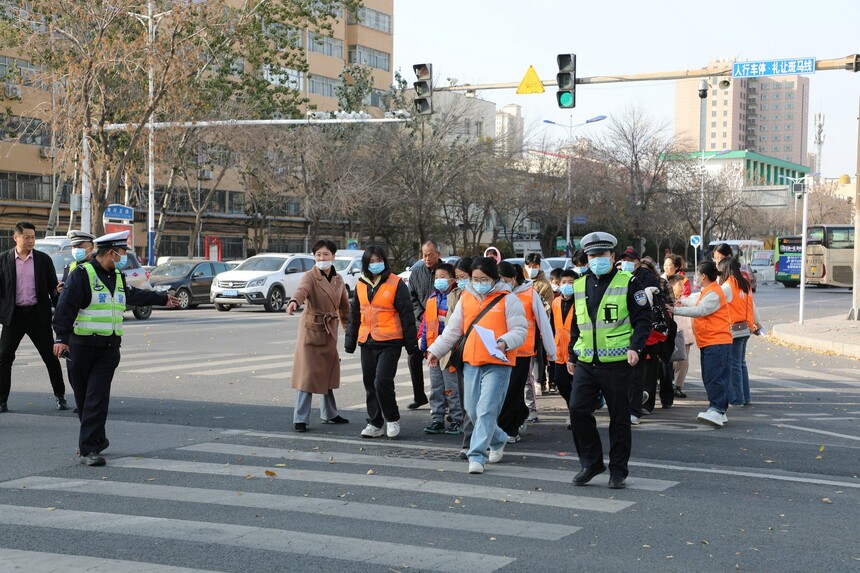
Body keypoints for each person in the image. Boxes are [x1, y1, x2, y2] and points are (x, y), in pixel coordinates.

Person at [52, 231, 179, 466]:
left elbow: (134, 295)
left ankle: (89, 450)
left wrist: (162, 299)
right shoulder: (82, 274)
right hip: (81, 347)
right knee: (83, 399)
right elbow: (65, 306)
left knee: (96, 397)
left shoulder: (118, 277)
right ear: (111, 253)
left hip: (108, 349)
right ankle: (97, 438)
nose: (124, 257)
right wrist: (61, 337)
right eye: (122, 253)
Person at [566, 232, 652, 490]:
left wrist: (636, 347)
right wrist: (571, 353)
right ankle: (591, 463)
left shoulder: (629, 282)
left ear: (612, 257)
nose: (597, 260)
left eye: (602, 255)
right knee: (577, 410)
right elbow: (577, 324)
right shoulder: (580, 285)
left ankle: (618, 470)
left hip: (617, 363)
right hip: (586, 362)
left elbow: (643, 320)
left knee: (619, 418)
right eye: (592, 256)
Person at [426, 257, 527, 475]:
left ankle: (477, 455)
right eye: (475, 279)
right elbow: (453, 330)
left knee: (486, 409)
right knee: (472, 410)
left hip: (498, 363)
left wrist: (505, 342)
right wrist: (435, 350)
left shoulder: (509, 300)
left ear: (495, 279)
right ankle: (499, 438)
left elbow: (520, 331)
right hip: (471, 361)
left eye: (483, 279)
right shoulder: (466, 298)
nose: (478, 283)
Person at [345, 246, 419, 439]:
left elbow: (407, 315)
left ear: (385, 261)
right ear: (365, 264)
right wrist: (350, 341)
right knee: (369, 383)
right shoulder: (361, 284)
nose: (375, 264)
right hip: (367, 340)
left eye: (379, 260)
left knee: (382, 382)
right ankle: (375, 423)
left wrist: (412, 346)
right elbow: (355, 314)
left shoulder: (396, 283)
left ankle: (392, 418)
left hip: (390, 341)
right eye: (371, 261)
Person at [0, 221, 68, 413]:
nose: (31, 241)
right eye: (26, 237)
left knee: (50, 357)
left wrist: (61, 308)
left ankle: (60, 396)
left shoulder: (43, 260)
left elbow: (53, 290)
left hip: (38, 316)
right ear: (16, 238)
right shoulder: (3, 260)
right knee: (4, 357)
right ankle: (2, 401)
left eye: (33, 237)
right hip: (13, 318)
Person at [285, 239, 351, 432]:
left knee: (328, 373)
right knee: (307, 375)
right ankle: (300, 418)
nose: (322, 258)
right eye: (318, 255)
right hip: (311, 331)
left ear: (333, 256)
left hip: (330, 330)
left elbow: (344, 308)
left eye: (325, 254)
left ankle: (330, 414)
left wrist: (350, 333)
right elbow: (301, 291)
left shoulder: (339, 279)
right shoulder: (310, 276)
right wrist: (293, 302)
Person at [497, 262, 556, 443]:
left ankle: (510, 429)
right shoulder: (497, 294)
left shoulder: (530, 294)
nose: (501, 284)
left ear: (514, 278)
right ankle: (520, 413)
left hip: (521, 352)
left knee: (513, 390)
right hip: (499, 351)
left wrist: (551, 352)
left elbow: (543, 323)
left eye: (504, 280)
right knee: (503, 391)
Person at [673, 261, 733, 427]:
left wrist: (675, 310)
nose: (696, 277)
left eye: (698, 274)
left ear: (703, 276)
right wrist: (683, 302)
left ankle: (717, 410)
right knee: (713, 376)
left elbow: (701, 310)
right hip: (711, 341)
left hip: (717, 342)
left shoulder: (714, 292)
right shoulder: (709, 291)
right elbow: (698, 304)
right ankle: (719, 409)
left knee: (714, 377)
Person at [419, 262, 464, 435]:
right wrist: (424, 346)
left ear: (452, 279)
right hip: (433, 350)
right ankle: (437, 418)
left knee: (451, 387)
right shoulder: (432, 299)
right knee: (436, 387)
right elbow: (425, 324)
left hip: (449, 351)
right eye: (437, 277)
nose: (439, 280)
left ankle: (457, 419)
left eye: (443, 277)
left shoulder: (457, 297)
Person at [619, 247, 658, 424]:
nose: (626, 263)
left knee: (636, 374)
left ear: (637, 261)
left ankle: (635, 410)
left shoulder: (646, 277)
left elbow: (650, 306)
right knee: (622, 376)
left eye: (630, 259)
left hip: (638, 333)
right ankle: (624, 406)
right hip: (618, 334)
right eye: (624, 259)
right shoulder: (618, 277)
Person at [718, 257, 762, 407]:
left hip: (733, 329)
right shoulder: (744, 284)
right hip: (746, 327)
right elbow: (752, 306)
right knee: (741, 364)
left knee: (734, 365)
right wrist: (757, 323)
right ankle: (745, 396)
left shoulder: (727, 286)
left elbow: (712, 300)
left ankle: (737, 399)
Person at [406, 241, 442, 410]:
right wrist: (422, 316)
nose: (427, 258)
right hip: (421, 324)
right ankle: (419, 396)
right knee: (414, 357)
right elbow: (411, 299)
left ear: (438, 254)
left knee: (442, 361)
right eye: (424, 255)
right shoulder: (416, 273)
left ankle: (447, 400)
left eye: (431, 254)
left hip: (441, 324)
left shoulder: (445, 272)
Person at [450, 256, 475, 458]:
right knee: (467, 400)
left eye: (463, 277)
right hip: (462, 353)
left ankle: (493, 439)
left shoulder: (498, 296)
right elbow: (451, 329)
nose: (461, 281)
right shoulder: (456, 296)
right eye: (457, 278)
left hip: (489, 356)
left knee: (484, 404)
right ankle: (468, 443)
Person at [551, 269, 578, 409]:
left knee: (578, 385)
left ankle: (576, 412)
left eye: (570, 282)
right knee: (560, 381)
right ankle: (572, 406)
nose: (567, 285)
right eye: (564, 282)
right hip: (559, 351)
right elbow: (552, 326)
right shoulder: (555, 302)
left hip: (577, 351)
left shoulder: (580, 302)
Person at [667, 274, 695, 398]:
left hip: (686, 336)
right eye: (680, 285)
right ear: (672, 286)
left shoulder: (685, 300)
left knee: (683, 362)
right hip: (673, 335)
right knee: (671, 362)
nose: (682, 287)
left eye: (683, 285)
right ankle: (667, 384)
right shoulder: (668, 301)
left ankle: (678, 386)